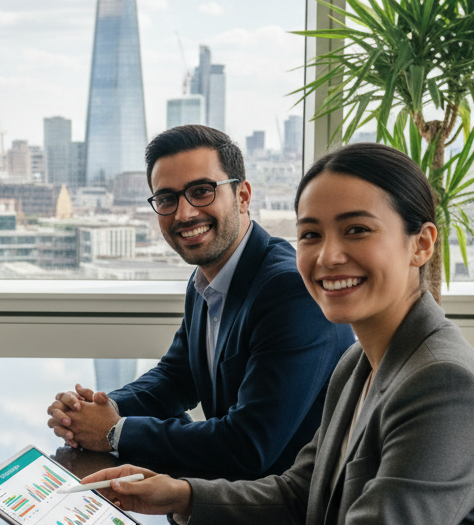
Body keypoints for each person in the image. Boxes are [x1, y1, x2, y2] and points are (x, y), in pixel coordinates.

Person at [36, 144, 474, 525]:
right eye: (311, 234)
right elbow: (300, 490)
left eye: (357, 230)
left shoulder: (442, 383)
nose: (326, 256)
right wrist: (179, 494)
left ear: (422, 243)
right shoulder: (361, 360)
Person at [47, 124, 354, 480]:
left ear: (242, 196)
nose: (184, 214)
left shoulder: (289, 290)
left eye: (201, 191)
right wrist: (97, 409)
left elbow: (247, 445)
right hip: (230, 502)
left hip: (292, 519)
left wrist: (113, 431)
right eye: (167, 199)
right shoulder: (207, 277)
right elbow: (177, 377)